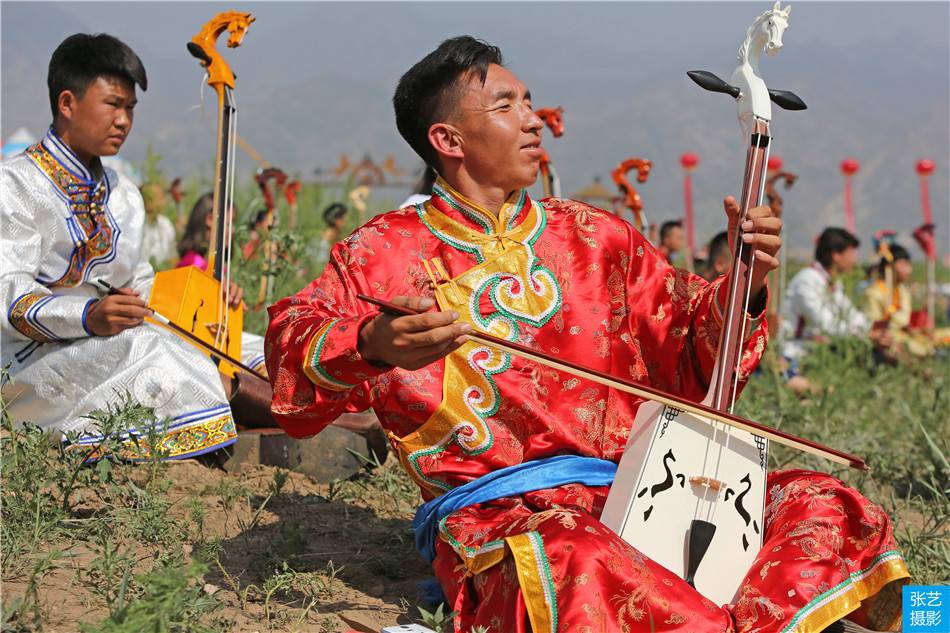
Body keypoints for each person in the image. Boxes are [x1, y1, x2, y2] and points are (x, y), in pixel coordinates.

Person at [266, 37, 907, 632]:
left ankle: (930, 618)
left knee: (827, 501)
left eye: (528, 101)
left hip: (649, 488)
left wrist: (750, 279)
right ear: (448, 138)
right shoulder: (381, 251)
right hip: (515, 517)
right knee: (569, 558)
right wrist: (372, 344)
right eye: (507, 105)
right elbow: (296, 336)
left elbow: (691, 350)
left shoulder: (596, 235)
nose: (533, 118)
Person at [0, 33, 276, 460]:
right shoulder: (15, 184)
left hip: (111, 338)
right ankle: (296, 421)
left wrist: (206, 298)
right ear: (68, 103)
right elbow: (8, 300)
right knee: (152, 348)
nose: (124, 121)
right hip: (24, 365)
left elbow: (140, 283)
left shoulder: (123, 193)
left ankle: (274, 416)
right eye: (112, 104)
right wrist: (89, 315)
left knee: (246, 344)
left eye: (130, 108)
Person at [139, 183, 176, 267]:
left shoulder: (166, 225)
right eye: (159, 198)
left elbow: (173, 257)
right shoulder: (136, 225)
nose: (163, 202)